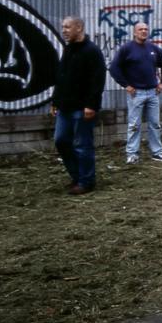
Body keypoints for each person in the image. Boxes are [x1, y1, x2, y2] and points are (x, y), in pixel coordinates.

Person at [51, 16, 106, 195]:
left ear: (79, 27)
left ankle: (86, 182)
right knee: (61, 141)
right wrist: (55, 101)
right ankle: (77, 176)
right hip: (65, 108)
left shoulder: (92, 51)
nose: (64, 30)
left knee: (83, 145)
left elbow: (97, 81)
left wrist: (91, 105)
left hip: (83, 108)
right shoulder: (68, 49)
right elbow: (61, 77)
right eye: (63, 27)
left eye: (68, 27)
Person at [108, 22, 162, 164]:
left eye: (146, 29)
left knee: (155, 124)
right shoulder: (127, 49)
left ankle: (157, 152)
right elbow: (114, 68)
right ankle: (132, 154)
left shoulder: (154, 49)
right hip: (136, 94)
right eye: (140, 29)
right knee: (134, 125)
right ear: (134, 33)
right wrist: (126, 85)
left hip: (152, 93)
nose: (143, 31)